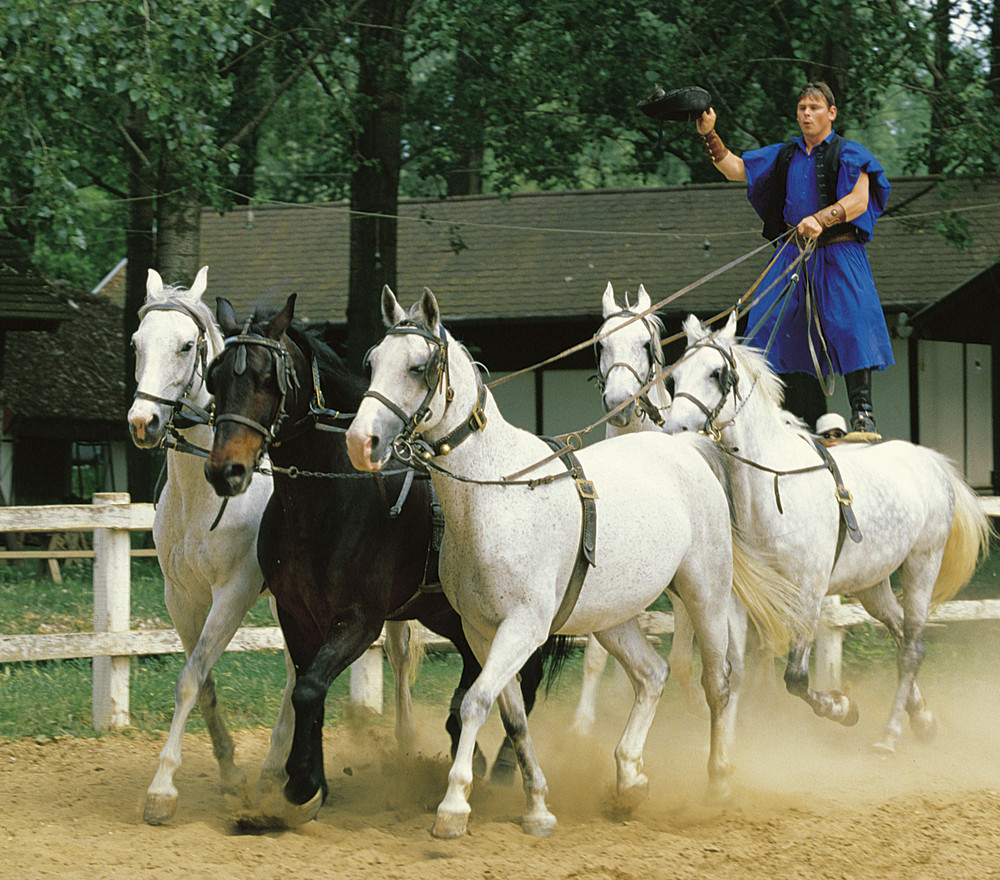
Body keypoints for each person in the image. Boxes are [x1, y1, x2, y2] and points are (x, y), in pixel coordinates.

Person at [695, 82, 893, 440]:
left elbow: (859, 201)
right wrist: (710, 135)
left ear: (831, 113)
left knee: (852, 321)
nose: (806, 113)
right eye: (802, 107)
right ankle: (763, 414)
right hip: (792, 252)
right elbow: (735, 168)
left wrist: (822, 218)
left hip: (839, 250)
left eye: (814, 107)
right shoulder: (785, 154)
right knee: (764, 326)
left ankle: (863, 414)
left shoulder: (849, 153)